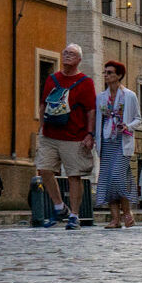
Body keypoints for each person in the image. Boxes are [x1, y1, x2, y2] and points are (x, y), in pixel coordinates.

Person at [35, 43, 97, 229]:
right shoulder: (52, 79)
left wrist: (90, 134)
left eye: (72, 54)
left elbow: (91, 111)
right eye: (65, 53)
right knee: (44, 169)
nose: (68, 56)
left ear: (79, 60)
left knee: (74, 175)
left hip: (74, 136)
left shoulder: (86, 82)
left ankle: (75, 216)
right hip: (50, 134)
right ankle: (59, 206)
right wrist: (41, 128)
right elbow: (43, 105)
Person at [93, 61, 140, 228]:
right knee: (107, 180)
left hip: (122, 142)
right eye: (105, 72)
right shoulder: (101, 97)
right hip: (106, 142)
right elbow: (98, 119)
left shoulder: (129, 96)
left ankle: (127, 213)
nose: (106, 75)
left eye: (110, 72)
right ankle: (115, 218)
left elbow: (138, 119)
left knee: (117, 178)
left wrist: (128, 126)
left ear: (119, 75)